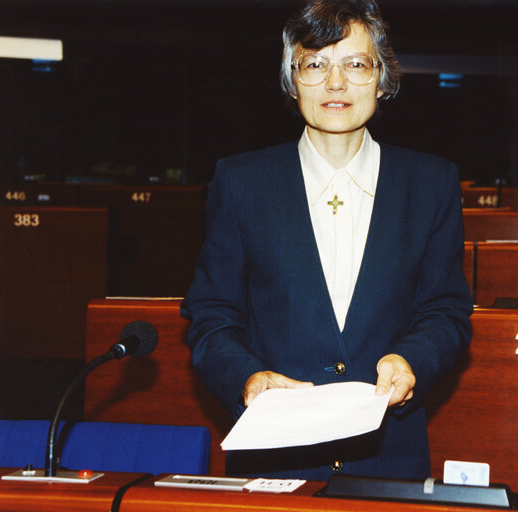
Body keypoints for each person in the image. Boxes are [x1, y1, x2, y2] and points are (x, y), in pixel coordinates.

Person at [180, 0, 473, 481]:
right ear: (291, 79)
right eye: (315, 64)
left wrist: (411, 360)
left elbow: (446, 312)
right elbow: (212, 314)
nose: (335, 83)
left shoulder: (431, 183)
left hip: (389, 461)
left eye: (355, 64)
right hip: (274, 460)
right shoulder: (240, 182)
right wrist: (247, 377)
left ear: (381, 78)